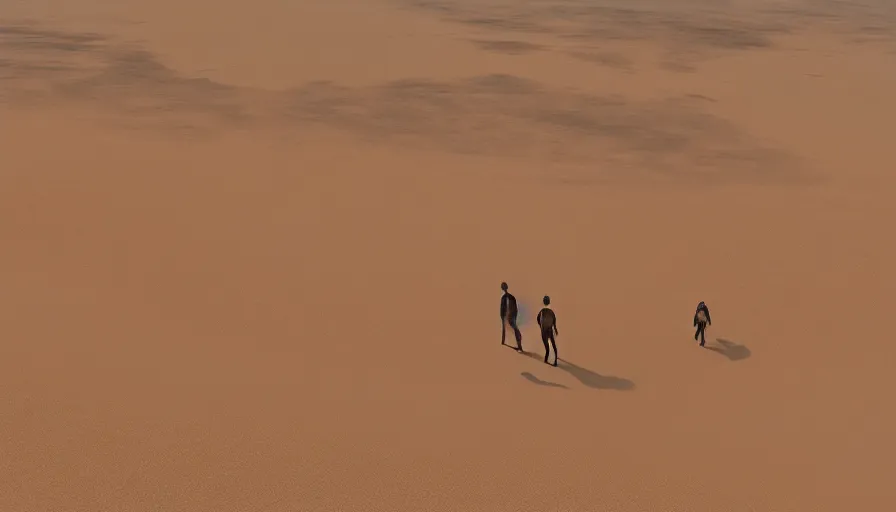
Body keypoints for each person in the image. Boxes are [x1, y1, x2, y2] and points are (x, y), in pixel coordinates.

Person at [536, 295, 559, 366]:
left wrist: (541, 326)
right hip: (549, 330)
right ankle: (555, 361)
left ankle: (546, 360)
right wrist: (555, 328)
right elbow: (554, 320)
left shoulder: (542, 311)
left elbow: (537, 319)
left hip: (544, 331)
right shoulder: (551, 312)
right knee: (554, 346)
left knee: (547, 348)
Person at [500, 282, 522, 351]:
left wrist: (502, 315)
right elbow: (515, 308)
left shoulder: (504, 297)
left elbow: (502, 308)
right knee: (513, 328)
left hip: (509, 315)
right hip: (511, 315)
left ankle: (504, 342)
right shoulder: (510, 297)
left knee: (511, 328)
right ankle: (518, 345)